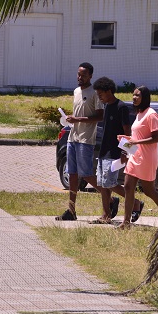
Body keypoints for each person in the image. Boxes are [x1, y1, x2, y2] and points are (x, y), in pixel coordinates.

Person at [118, 86, 158, 229]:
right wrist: (127, 139)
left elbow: (156, 137)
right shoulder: (139, 114)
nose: (134, 97)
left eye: (138, 95)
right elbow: (138, 137)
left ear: (144, 98)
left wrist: (135, 141)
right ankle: (126, 222)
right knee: (128, 186)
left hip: (147, 158)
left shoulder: (151, 114)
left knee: (149, 191)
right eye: (133, 95)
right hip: (134, 156)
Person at [90, 76, 141, 224]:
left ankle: (136, 203)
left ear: (109, 91)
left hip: (115, 151)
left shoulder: (121, 107)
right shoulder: (107, 107)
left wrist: (126, 152)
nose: (99, 97)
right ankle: (106, 215)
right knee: (102, 183)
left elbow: (127, 131)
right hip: (104, 150)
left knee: (110, 183)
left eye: (101, 94)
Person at [57, 62, 104, 221]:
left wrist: (77, 119)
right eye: (78, 74)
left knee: (87, 175)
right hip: (73, 137)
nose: (80, 78)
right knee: (72, 175)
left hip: (86, 139)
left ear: (90, 76)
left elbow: (99, 116)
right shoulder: (76, 91)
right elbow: (79, 113)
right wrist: (69, 119)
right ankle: (71, 210)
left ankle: (110, 198)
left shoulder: (95, 93)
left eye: (83, 75)